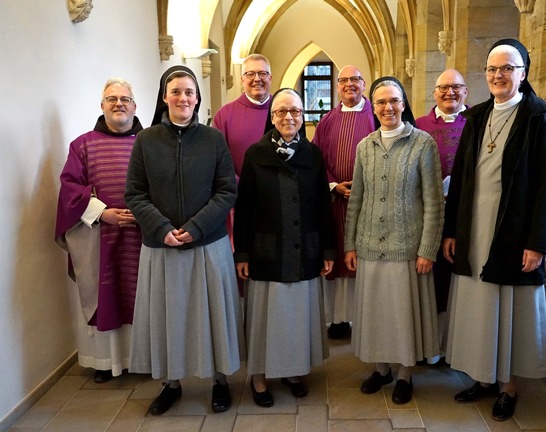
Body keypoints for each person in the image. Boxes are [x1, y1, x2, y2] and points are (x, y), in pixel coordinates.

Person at [443, 39, 546, 422]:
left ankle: (507, 386)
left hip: (511, 231)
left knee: (506, 309)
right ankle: (482, 375)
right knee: (479, 305)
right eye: (492, 69)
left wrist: (536, 243)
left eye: (507, 68)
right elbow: (459, 179)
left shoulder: (538, 118)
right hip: (474, 229)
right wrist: (451, 231)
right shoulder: (476, 116)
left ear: (523, 73)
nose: (498, 75)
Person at [125, 65, 244, 415]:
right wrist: (162, 228)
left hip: (208, 243)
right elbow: (134, 192)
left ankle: (220, 380)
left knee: (214, 315)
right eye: (176, 91)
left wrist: (197, 226)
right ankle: (171, 382)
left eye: (189, 92)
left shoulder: (213, 139)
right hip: (162, 247)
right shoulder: (146, 140)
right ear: (164, 97)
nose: (183, 98)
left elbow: (227, 190)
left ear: (197, 98)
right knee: (168, 318)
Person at [233, 88, 336, 408]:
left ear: (303, 116)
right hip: (267, 250)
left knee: (295, 317)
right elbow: (245, 207)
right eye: (281, 112)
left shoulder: (313, 155)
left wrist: (328, 250)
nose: (288, 117)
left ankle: (292, 372)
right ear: (272, 117)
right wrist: (243, 253)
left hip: (304, 248)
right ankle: (260, 376)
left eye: (295, 111)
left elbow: (323, 205)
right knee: (266, 317)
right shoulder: (255, 154)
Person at [344, 77, 443, 405]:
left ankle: (404, 374)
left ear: (404, 104)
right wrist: (350, 244)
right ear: (373, 107)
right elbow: (356, 198)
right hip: (370, 243)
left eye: (394, 101)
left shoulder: (423, 143)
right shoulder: (364, 146)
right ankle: (381, 368)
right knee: (376, 312)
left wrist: (428, 248)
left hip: (407, 246)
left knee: (402, 314)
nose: (388, 107)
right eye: (381, 102)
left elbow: (433, 201)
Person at [55, 78, 142, 384]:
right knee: (108, 291)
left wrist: (145, 214)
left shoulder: (150, 143)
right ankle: (107, 362)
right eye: (111, 99)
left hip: (144, 236)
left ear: (135, 105)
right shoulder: (82, 145)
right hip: (100, 235)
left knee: (142, 294)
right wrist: (103, 213)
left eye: (125, 99)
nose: (119, 104)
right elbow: (70, 189)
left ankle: (143, 358)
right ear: (102, 105)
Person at [312, 65, 375, 340]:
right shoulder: (327, 120)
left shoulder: (377, 114)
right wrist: (334, 185)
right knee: (338, 256)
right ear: (337, 86)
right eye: (344, 80)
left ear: (364, 84)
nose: (349, 84)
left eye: (355, 79)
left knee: (364, 257)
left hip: (369, 203)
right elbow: (316, 160)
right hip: (335, 201)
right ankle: (338, 319)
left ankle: (364, 317)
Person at [415, 69, 468, 353]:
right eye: (444, 88)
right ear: (434, 93)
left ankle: (458, 346)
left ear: (466, 92)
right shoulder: (419, 125)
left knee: (460, 282)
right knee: (431, 281)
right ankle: (430, 346)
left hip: (465, 217)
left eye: (456, 87)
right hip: (426, 216)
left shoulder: (477, 123)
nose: (450, 93)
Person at [213, 53, 273, 178]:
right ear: (242, 79)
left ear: (270, 78)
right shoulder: (224, 115)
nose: (257, 79)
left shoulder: (284, 112)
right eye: (250, 74)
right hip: (239, 193)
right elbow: (219, 161)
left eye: (262, 73)